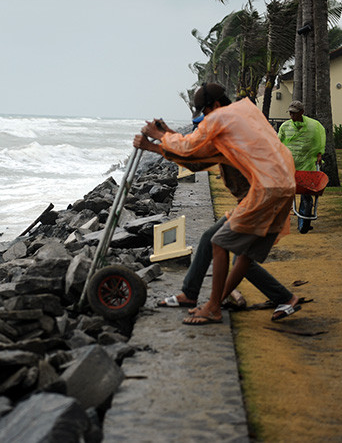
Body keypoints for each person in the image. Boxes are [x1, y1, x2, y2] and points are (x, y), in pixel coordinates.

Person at [134, 83, 299, 325]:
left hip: (265, 190)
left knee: (219, 242)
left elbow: (190, 147)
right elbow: (196, 158)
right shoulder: (243, 115)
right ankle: (194, 295)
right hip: (282, 185)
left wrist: (157, 137)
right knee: (232, 251)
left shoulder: (221, 117)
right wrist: (165, 136)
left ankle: (213, 307)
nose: (204, 121)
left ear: (216, 105)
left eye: (205, 114)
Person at [157, 164, 299, 319]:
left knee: (231, 250)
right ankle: (190, 294)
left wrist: (155, 145)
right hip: (250, 201)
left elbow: (195, 158)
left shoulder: (235, 144)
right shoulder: (229, 145)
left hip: (266, 202)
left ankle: (284, 298)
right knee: (209, 239)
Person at [278, 100, 326, 233]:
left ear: (302, 112)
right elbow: (279, 142)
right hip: (290, 165)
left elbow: (320, 139)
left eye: (294, 113)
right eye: (290, 113)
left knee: (306, 194)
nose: (292, 116)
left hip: (307, 166)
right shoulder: (285, 126)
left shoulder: (313, 126)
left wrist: (319, 153)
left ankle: (305, 220)